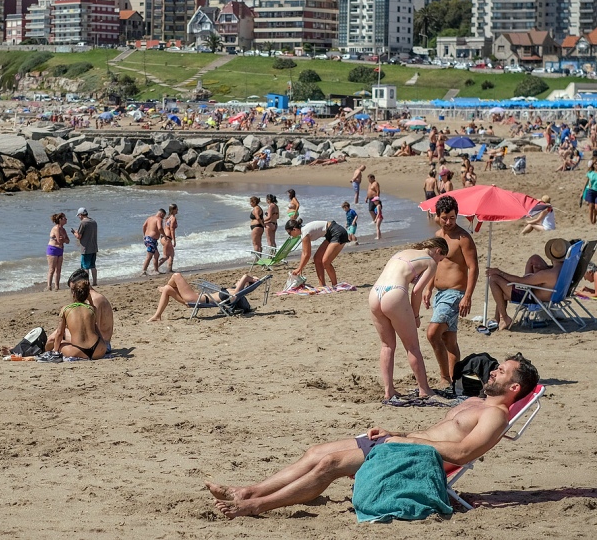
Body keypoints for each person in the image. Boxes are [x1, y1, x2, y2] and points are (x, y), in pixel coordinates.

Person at [204, 354, 539, 519]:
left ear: (513, 388)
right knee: (315, 451)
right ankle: (248, 489)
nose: (493, 369)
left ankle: (256, 505)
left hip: (417, 456)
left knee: (331, 464)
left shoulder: (495, 415)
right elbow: (437, 432)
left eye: (502, 371)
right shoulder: (475, 401)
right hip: (403, 443)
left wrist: (406, 441)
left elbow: (464, 453)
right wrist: (397, 432)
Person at [368, 238, 448, 403]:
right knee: (412, 347)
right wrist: (415, 315)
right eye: (440, 259)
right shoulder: (430, 263)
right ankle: (424, 389)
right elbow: (417, 292)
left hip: (375, 292)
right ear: (438, 251)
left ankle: (388, 390)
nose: (438, 262)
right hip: (394, 294)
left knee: (387, 345)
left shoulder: (402, 252)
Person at [428, 196, 478, 389]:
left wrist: (467, 296)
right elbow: (435, 264)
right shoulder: (438, 236)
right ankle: (454, 379)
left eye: (452, 218)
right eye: (445, 218)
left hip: (455, 294)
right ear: (438, 216)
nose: (449, 222)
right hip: (440, 294)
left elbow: (473, 268)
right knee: (449, 339)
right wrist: (428, 287)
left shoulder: (463, 238)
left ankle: (444, 378)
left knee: (433, 334)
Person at [486, 239, 569, 329]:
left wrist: (499, 272)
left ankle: (504, 318)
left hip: (530, 295)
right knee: (535, 258)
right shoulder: (564, 268)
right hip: (548, 291)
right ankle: (497, 318)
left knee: (494, 280)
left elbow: (520, 281)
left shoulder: (547, 274)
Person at [148, 272, 263, 322]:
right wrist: (250, 280)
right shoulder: (234, 292)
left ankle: (163, 288)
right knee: (169, 289)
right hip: (195, 298)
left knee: (176, 275)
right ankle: (157, 316)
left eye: (240, 281)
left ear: (245, 284)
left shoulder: (234, 295)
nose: (237, 281)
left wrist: (248, 278)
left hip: (194, 299)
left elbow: (243, 279)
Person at [44, 279, 107, 360]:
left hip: (78, 351)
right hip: (99, 349)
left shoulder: (66, 309)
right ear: (87, 294)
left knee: (60, 343)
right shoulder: (92, 309)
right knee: (94, 327)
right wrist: (90, 299)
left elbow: (60, 333)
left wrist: (56, 351)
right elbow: (95, 319)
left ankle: (55, 351)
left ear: (73, 293)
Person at [285, 218, 350, 291]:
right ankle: (322, 285)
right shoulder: (304, 232)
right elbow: (304, 253)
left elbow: (307, 254)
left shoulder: (305, 232)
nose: (290, 235)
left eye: (289, 233)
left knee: (326, 262)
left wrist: (299, 268)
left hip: (337, 232)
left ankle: (335, 285)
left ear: (294, 229)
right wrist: (300, 268)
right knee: (317, 258)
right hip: (330, 234)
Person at [70, 208, 98, 287]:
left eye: (79, 215)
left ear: (81, 215)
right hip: (94, 247)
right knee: (93, 266)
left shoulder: (83, 223)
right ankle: (95, 282)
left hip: (86, 248)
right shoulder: (93, 222)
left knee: (85, 267)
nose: (79, 217)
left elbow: (79, 236)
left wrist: (74, 233)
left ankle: (86, 283)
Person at [45, 212, 69, 291]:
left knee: (59, 269)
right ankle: (49, 286)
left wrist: (64, 240)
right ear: (60, 220)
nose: (66, 219)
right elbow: (59, 241)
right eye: (64, 218)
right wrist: (63, 240)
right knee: (52, 269)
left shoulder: (63, 229)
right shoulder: (56, 228)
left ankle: (57, 286)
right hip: (53, 249)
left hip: (60, 250)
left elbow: (68, 241)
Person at [141, 209, 164, 276]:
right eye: (163, 216)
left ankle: (156, 270)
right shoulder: (159, 219)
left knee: (156, 255)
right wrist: (164, 235)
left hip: (148, 239)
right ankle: (143, 271)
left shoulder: (149, 218)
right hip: (151, 240)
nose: (163, 218)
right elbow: (160, 228)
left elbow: (144, 226)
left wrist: (144, 235)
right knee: (149, 256)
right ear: (161, 214)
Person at [159, 204, 178, 273]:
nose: (177, 210)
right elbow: (172, 229)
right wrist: (174, 240)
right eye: (176, 209)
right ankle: (154, 268)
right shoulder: (173, 218)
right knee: (166, 256)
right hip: (168, 238)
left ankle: (169, 269)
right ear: (173, 210)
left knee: (171, 254)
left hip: (163, 238)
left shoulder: (167, 218)